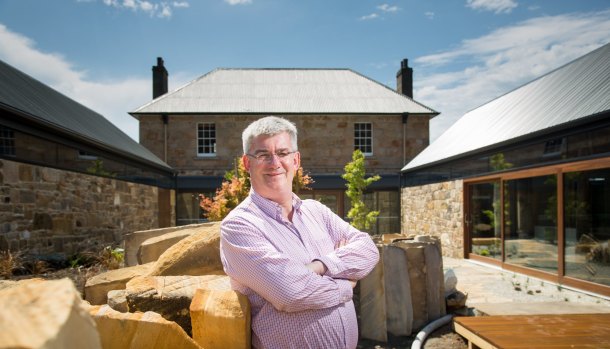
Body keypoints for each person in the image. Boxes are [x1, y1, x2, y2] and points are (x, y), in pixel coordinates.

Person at [220, 116, 380, 349]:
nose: (275, 162)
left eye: (283, 153)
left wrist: (319, 267)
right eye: (263, 154)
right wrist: (346, 284)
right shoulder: (239, 225)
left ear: (296, 160)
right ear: (246, 163)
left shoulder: (316, 211)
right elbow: (290, 293)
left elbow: (368, 249)